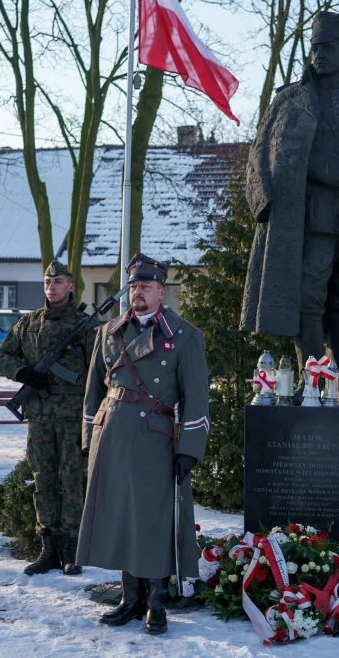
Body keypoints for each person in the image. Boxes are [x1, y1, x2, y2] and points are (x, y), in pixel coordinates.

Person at [240, 10, 339, 393]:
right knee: (308, 297)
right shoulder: (291, 100)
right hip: (309, 217)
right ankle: (313, 375)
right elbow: (275, 156)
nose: (319, 54)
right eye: (314, 48)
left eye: (328, 47)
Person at [75, 253, 209, 636]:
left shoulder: (184, 335)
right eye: (134, 286)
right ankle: (129, 597)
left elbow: (196, 398)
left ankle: (156, 602)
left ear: (162, 292)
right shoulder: (108, 332)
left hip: (155, 437)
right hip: (112, 434)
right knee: (120, 514)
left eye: (146, 286)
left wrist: (190, 449)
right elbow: (92, 392)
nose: (138, 292)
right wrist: (89, 435)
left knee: (152, 520)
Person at [0, 261, 97, 575]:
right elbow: (0, 355)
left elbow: (101, 371)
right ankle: (48, 548)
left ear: (71, 287)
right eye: (48, 282)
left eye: (59, 281)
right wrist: (21, 372)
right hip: (39, 414)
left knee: (70, 482)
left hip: (72, 417)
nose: (52, 287)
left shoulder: (86, 326)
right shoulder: (28, 324)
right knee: (43, 481)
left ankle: (70, 550)